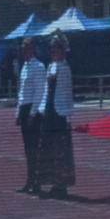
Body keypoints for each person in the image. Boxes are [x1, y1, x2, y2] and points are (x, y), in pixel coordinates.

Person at [32, 33, 75, 198]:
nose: (53, 52)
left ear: (62, 50)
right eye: (51, 49)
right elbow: (46, 90)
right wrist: (42, 109)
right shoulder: (51, 66)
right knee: (49, 147)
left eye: (55, 48)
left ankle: (61, 184)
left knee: (60, 148)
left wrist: (68, 116)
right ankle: (51, 181)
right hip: (50, 110)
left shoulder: (64, 68)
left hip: (60, 112)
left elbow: (66, 93)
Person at [14, 37, 47, 195]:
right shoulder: (24, 67)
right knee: (28, 149)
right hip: (24, 108)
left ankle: (37, 182)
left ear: (32, 49)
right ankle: (30, 181)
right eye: (22, 48)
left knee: (34, 148)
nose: (23, 51)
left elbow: (39, 92)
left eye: (26, 48)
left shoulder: (39, 67)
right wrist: (18, 112)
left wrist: (33, 113)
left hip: (33, 110)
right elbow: (21, 92)